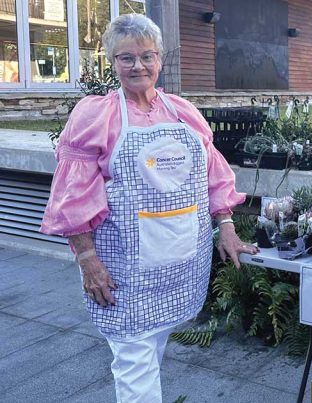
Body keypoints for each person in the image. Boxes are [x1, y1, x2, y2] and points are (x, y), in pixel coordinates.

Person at [39, 14, 259, 402]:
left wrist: (226, 224)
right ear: (112, 63)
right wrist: (87, 260)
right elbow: (72, 196)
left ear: (160, 59)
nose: (138, 66)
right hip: (123, 266)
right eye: (127, 58)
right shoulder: (96, 115)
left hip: (180, 260)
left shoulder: (182, 111)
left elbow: (214, 173)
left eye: (146, 56)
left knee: (152, 345)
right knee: (133, 358)